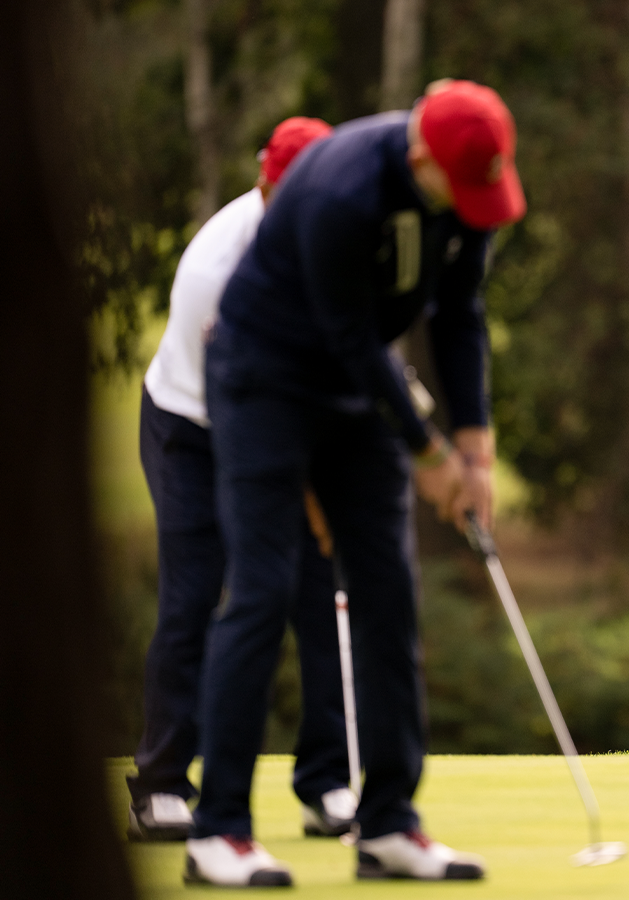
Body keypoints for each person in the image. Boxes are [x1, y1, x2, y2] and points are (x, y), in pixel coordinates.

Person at [184, 79, 524, 887]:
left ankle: (389, 824)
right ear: (418, 157)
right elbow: (347, 335)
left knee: (388, 591)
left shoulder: (466, 188)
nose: (474, 203)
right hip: (266, 380)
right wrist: (428, 452)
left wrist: (474, 448)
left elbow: (459, 313)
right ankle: (218, 829)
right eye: (461, 187)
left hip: (356, 385)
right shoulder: (341, 186)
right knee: (264, 591)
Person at [127, 116, 361, 843]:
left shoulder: (339, 228)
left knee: (318, 590)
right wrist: (302, 483)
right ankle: (163, 785)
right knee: (195, 595)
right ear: (266, 184)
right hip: (193, 426)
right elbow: (238, 407)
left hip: (288, 415)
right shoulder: (215, 270)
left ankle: (326, 782)